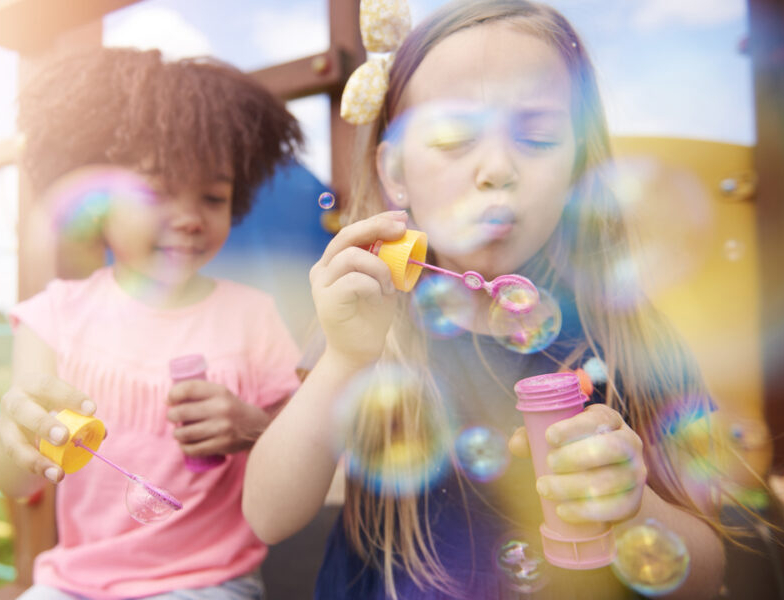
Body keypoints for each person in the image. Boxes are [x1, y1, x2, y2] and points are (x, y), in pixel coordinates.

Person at [243, 1, 735, 598]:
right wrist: (345, 360)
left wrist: (634, 508)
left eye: (538, 134)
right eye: (453, 136)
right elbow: (268, 515)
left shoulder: (630, 337)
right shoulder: (373, 321)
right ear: (396, 172)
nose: (497, 169)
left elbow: (706, 575)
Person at [0, 47, 304, 600]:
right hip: (73, 583)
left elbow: (300, 438)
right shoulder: (54, 316)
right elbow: (15, 479)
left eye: (213, 196)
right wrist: (13, 439)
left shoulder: (252, 315)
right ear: (98, 204)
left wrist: (250, 425)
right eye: (156, 191)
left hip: (209, 581)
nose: (187, 217)